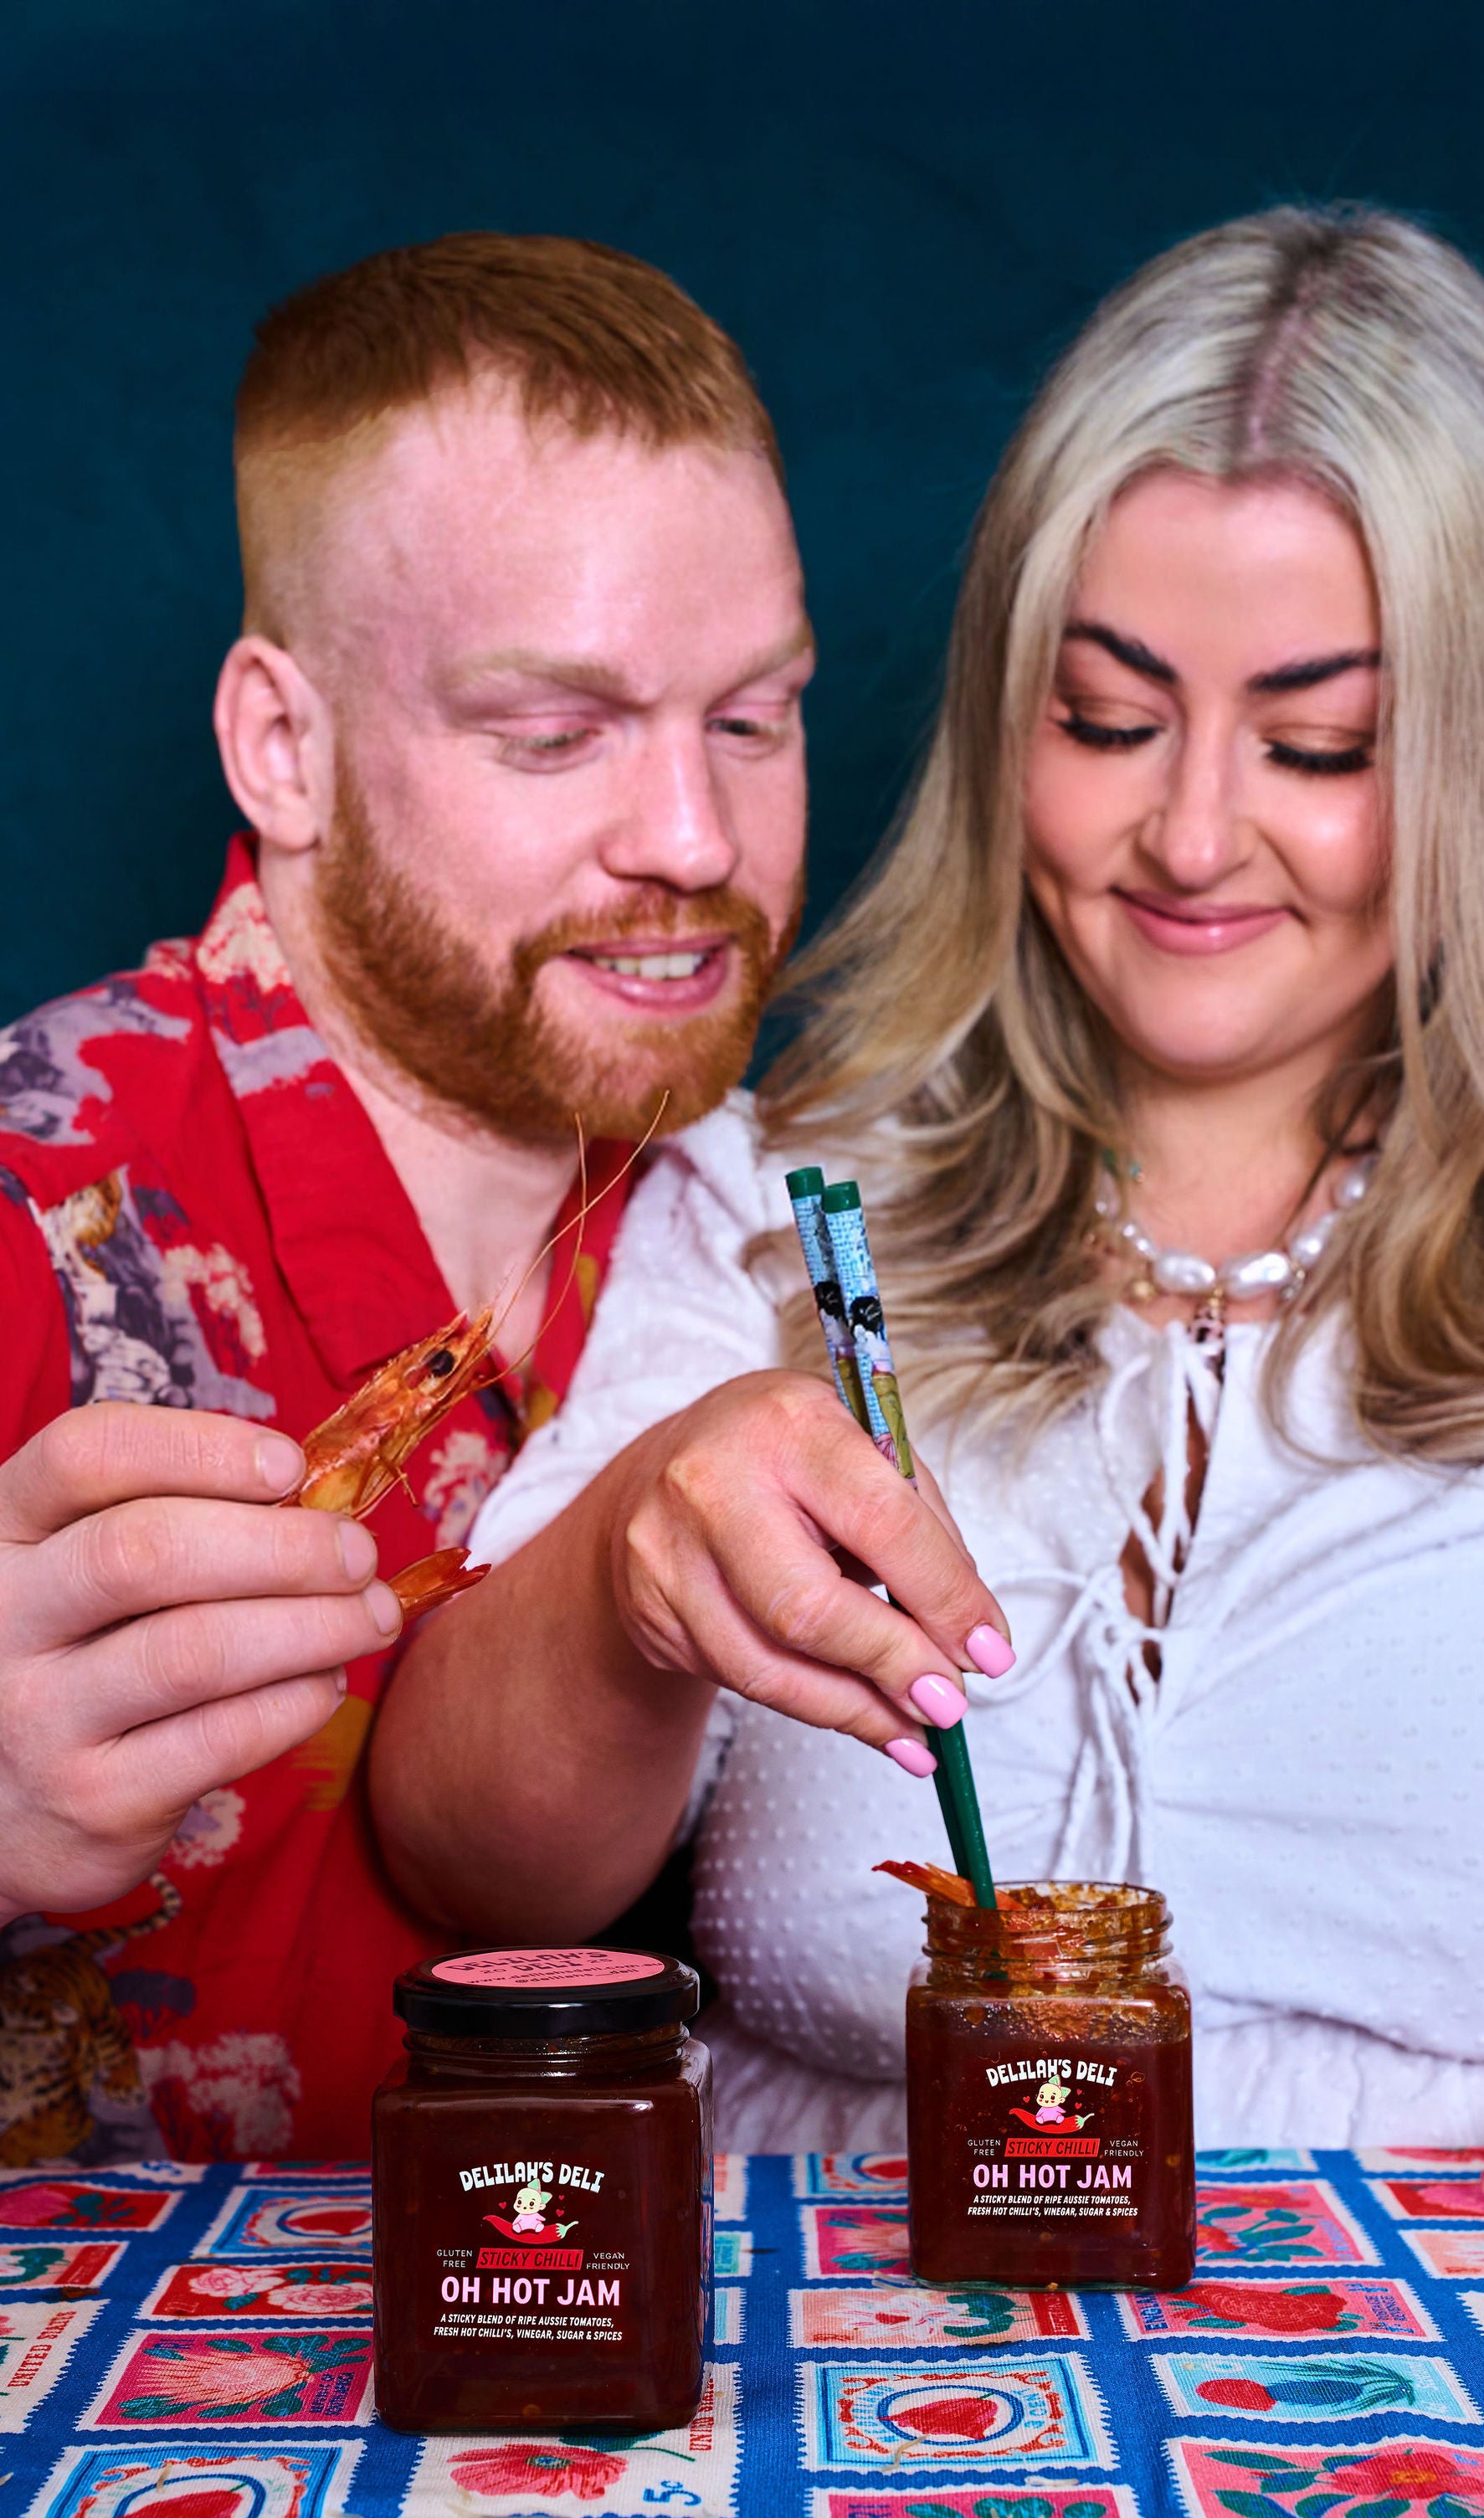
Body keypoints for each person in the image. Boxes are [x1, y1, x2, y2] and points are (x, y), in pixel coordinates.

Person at [378, 204, 1484, 2279]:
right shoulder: (787, 1197)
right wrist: (639, 1558)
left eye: (1318, 744)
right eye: (1107, 720)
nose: (1187, 837)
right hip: (846, 2372)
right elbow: (464, 1861)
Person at [0, 230, 809, 2161]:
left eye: (754, 718)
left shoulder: (769, 1206)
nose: (692, 840)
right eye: (555, 734)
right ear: (284, 745)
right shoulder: (39, 1199)